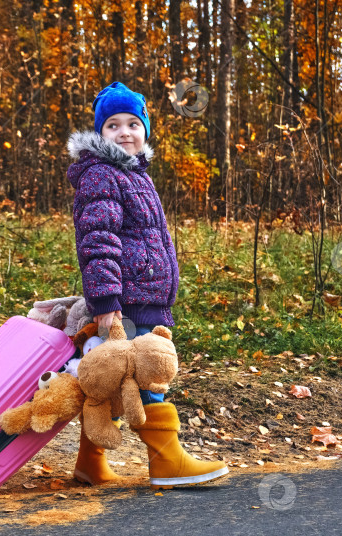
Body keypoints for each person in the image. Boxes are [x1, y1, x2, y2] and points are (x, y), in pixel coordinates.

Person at [66, 81, 228, 487]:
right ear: (100, 133)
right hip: (126, 301)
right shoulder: (101, 175)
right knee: (147, 378)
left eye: (134, 123)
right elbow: (98, 238)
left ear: (146, 131)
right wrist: (105, 300)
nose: (125, 132)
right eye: (113, 125)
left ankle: (89, 463)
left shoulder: (135, 175)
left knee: (120, 383)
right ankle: (167, 462)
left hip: (148, 299)